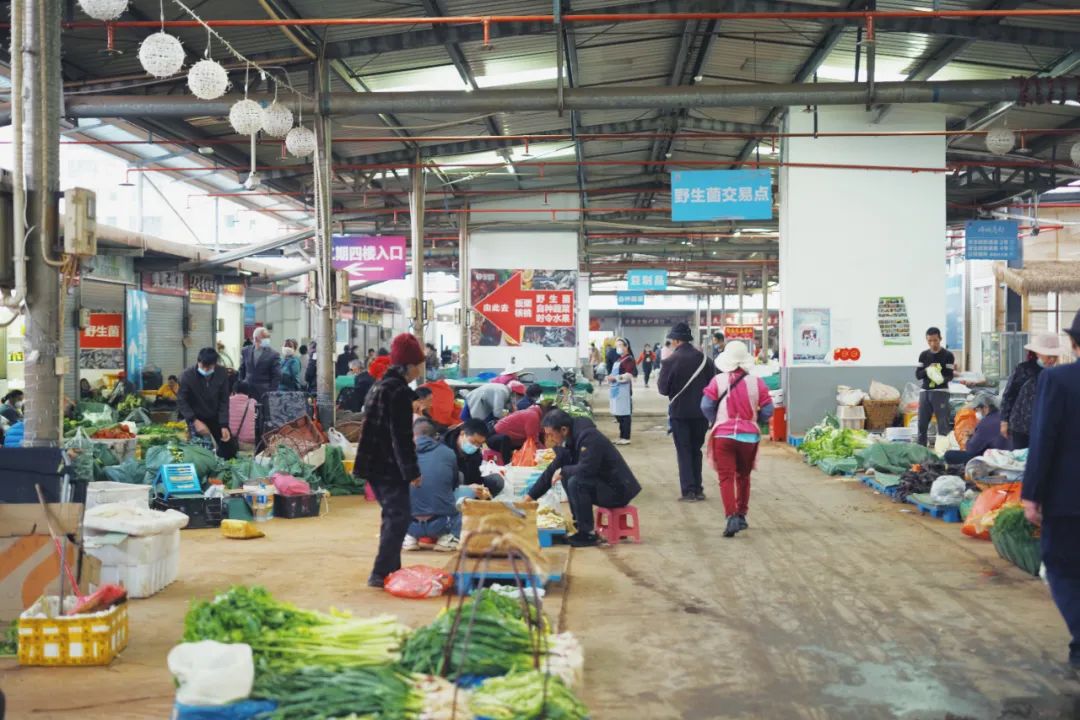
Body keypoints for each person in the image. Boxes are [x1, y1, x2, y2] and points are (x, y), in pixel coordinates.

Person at [1022, 309, 1080, 676]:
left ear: (1074, 344)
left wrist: (1032, 493)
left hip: (1067, 498)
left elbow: (1043, 439)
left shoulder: (1058, 381)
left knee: (1062, 568)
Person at [353, 333, 427, 589]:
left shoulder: (383, 385)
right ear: (409, 365)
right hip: (386, 464)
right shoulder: (396, 391)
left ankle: (391, 571)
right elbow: (401, 437)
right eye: (419, 363)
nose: (421, 368)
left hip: (377, 461)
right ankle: (380, 572)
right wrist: (412, 470)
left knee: (395, 515)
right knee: (398, 516)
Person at [527, 410, 642, 547]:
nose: (550, 439)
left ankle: (587, 534)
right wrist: (528, 499)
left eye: (551, 434)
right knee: (566, 476)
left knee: (576, 481)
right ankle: (580, 524)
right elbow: (551, 472)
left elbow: (587, 469)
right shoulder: (569, 440)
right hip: (604, 484)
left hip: (618, 491)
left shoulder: (589, 437)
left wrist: (564, 470)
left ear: (563, 429)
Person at [701, 341, 774, 537]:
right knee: (744, 476)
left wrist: (714, 420)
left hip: (724, 435)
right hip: (748, 437)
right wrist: (757, 420)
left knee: (726, 477)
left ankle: (731, 516)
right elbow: (768, 408)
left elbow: (706, 405)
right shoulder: (757, 382)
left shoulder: (717, 381)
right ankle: (742, 515)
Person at [658, 322, 716, 502]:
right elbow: (714, 385)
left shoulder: (670, 361)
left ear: (675, 340)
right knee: (696, 450)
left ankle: (689, 491)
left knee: (683, 451)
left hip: (680, 414)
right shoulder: (706, 360)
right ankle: (698, 488)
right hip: (701, 414)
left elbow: (663, 389)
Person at [403, 419, 461, 552]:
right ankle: (447, 539)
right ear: (436, 436)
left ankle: (408, 538)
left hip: (409, 523)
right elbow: (454, 484)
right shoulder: (448, 453)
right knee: (464, 497)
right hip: (440, 524)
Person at [1001, 332, 1062, 450]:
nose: (1052, 360)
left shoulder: (1058, 374)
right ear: (1038, 353)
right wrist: (1004, 421)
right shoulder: (1023, 369)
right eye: (1049, 356)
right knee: (1021, 460)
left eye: (1055, 357)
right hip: (1020, 426)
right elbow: (1009, 395)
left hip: (1045, 427)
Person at [176, 347, 237, 460]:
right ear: (198, 362)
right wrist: (194, 420)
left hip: (215, 416)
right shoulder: (187, 376)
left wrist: (224, 425)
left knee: (229, 448)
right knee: (201, 452)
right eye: (202, 366)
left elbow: (224, 400)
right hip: (195, 416)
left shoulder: (221, 373)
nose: (205, 369)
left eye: (208, 367)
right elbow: (181, 400)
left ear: (215, 364)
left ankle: (223, 471)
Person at [942, 393, 1011, 466]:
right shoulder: (1004, 417)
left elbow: (971, 449)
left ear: (985, 408)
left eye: (976, 409)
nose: (976, 412)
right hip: (1008, 454)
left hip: (995, 458)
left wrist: (967, 440)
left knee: (949, 455)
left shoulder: (985, 423)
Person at [443, 418, 505, 498]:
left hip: (469, 485)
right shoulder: (444, 449)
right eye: (473, 442)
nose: (476, 446)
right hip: (451, 489)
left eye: (479, 444)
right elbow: (441, 483)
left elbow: (476, 476)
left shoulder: (475, 452)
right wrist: (466, 489)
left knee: (496, 480)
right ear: (462, 434)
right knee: (460, 476)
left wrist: (480, 488)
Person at [915, 327, 955, 447]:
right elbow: (918, 375)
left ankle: (942, 450)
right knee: (922, 423)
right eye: (930, 341)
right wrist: (928, 370)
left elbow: (950, 375)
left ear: (940, 339)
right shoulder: (923, 355)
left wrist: (940, 378)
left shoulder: (948, 355)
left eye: (935, 340)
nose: (933, 343)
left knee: (942, 423)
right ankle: (921, 449)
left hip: (940, 392)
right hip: (925, 392)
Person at [607, 338, 637, 445]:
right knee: (618, 414)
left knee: (624, 415)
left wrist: (615, 378)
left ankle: (626, 437)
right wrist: (610, 377)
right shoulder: (619, 359)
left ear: (626, 346)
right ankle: (621, 436)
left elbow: (629, 375)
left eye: (620, 345)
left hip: (623, 391)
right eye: (617, 345)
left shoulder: (629, 359)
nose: (618, 348)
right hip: (616, 390)